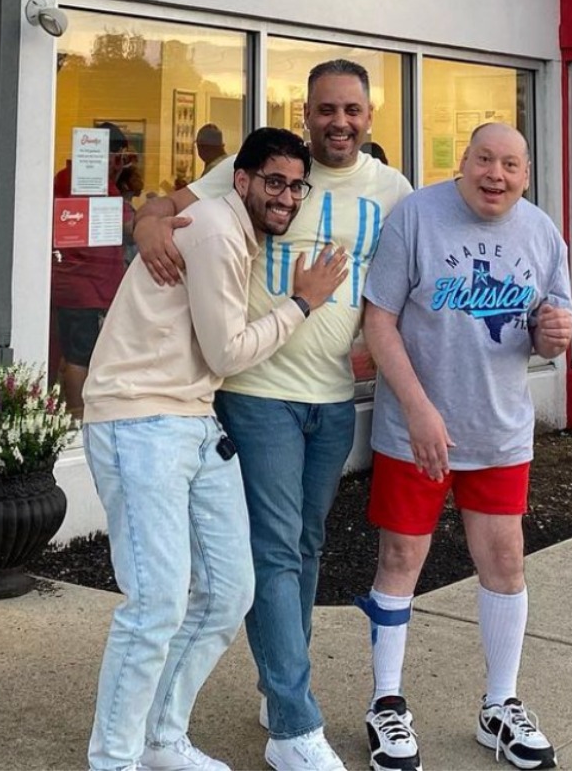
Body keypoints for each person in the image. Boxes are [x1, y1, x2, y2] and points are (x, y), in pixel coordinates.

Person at [136, 60, 412, 771]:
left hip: (333, 400)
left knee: (307, 545)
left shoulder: (393, 190)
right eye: (326, 109)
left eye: (351, 110)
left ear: (369, 116)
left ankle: (281, 688)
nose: (339, 122)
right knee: (275, 552)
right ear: (306, 112)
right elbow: (164, 209)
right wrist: (146, 226)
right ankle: (294, 724)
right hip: (257, 392)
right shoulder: (268, 171)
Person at [82, 128, 349, 771]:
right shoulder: (217, 232)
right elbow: (226, 352)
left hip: (195, 421)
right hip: (140, 419)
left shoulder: (231, 229)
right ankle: (114, 760)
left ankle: (160, 739)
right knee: (156, 604)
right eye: (274, 182)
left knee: (229, 591)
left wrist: (150, 216)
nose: (286, 197)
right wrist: (303, 303)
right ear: (242, 179)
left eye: (296, 186)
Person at [355, 123, 572, 771]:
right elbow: (378, 320)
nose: (494, 175)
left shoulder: (543, 234)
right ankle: (386, 703)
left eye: (509, 164)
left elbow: (546, 334)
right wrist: (418, 408)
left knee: (505, 562)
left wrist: (553, 335)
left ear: (525, 174)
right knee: (400, 558)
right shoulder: (416, 217)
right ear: (464, 161)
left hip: (499, 432)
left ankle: (499, 706)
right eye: (484, 159)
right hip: (415, 431)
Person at [52, 124, 139, 415]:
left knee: (69, 353)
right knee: (81, 357)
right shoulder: (97, 183)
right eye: (120, 157)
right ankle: (78, 416)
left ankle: (66, 412)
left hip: (68, 281)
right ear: (109, 154)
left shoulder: (64, 178)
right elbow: (128, 227)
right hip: (88, 285)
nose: (121, 164)